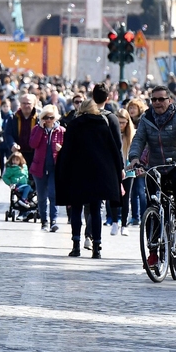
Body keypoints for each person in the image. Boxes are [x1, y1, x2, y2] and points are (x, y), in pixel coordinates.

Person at [128, 85, 176, 263]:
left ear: (169, 100)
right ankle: (153, 252)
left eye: (161, 99)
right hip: (155, 167)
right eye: (154, 100)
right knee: (152, 207)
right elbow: (138, 140)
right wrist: (134, 158)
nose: (157, 103)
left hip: (175, 164)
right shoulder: (146, 119)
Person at [55, 99, 123, 259]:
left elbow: (67, 152)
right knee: (95, 210)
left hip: (78, 173)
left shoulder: (74, 125)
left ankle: (76, 245)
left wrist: (62, 172)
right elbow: (114, 150)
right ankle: (97, 247)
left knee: (77, 210)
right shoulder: (102, 125)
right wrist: (117, 170)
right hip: (99, 173)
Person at [28, 105, 64, 231]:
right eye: (45, 117)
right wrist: (40, 129)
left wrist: (62, 149)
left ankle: (53, 221)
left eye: (51, 117)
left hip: (54, 168)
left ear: (56, 118)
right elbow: (33, 144)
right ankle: (44, 221)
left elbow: (69, 149)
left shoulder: (61, 131)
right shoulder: (37, 129)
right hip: (39, 167)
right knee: (42, 196)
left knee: (53, 194)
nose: (48, 120)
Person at [109, 109, 135, 237]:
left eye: (124, 122)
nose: (121, 125)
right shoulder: (112, 133)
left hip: (128, 169)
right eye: (119, 122)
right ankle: (114, 222)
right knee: (114, 196)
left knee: (126, 198)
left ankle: (124, 224)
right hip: (114, 169)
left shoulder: (132, 135)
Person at [4, 93, 39, 179]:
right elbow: (8, 134)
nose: (26, 105)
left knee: (33, 181)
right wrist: (12, 144)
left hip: (34, 154)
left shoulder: (39, 118)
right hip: (18, 155)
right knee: (18, 180)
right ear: (20, 104)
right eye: (23, 103)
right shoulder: (13, 118)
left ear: (34, 104)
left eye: (28, 103)